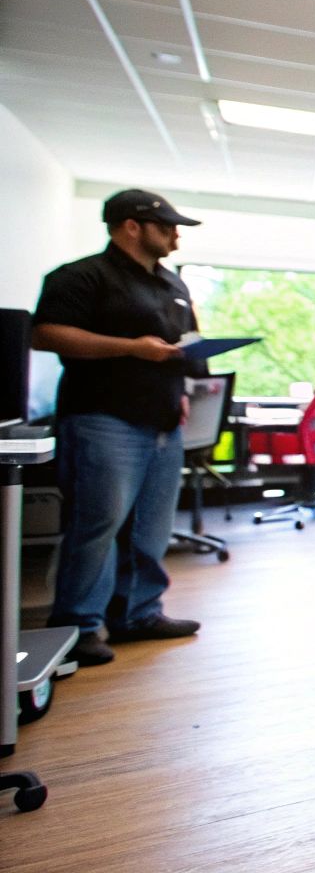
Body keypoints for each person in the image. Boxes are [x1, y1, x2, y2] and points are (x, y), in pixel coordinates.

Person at [31, 189, 207, 667]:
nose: (176, 237)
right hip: (104, 419)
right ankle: (78, 626)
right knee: (98, 525)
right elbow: (45, 334)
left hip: (163, 423)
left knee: (151, 529)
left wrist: (181, 389)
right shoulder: (81, 276)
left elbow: (182, 342)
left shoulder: (172, 283)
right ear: (131, 226)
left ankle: (138, 615)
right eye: (167, 227)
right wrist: (130, 347)